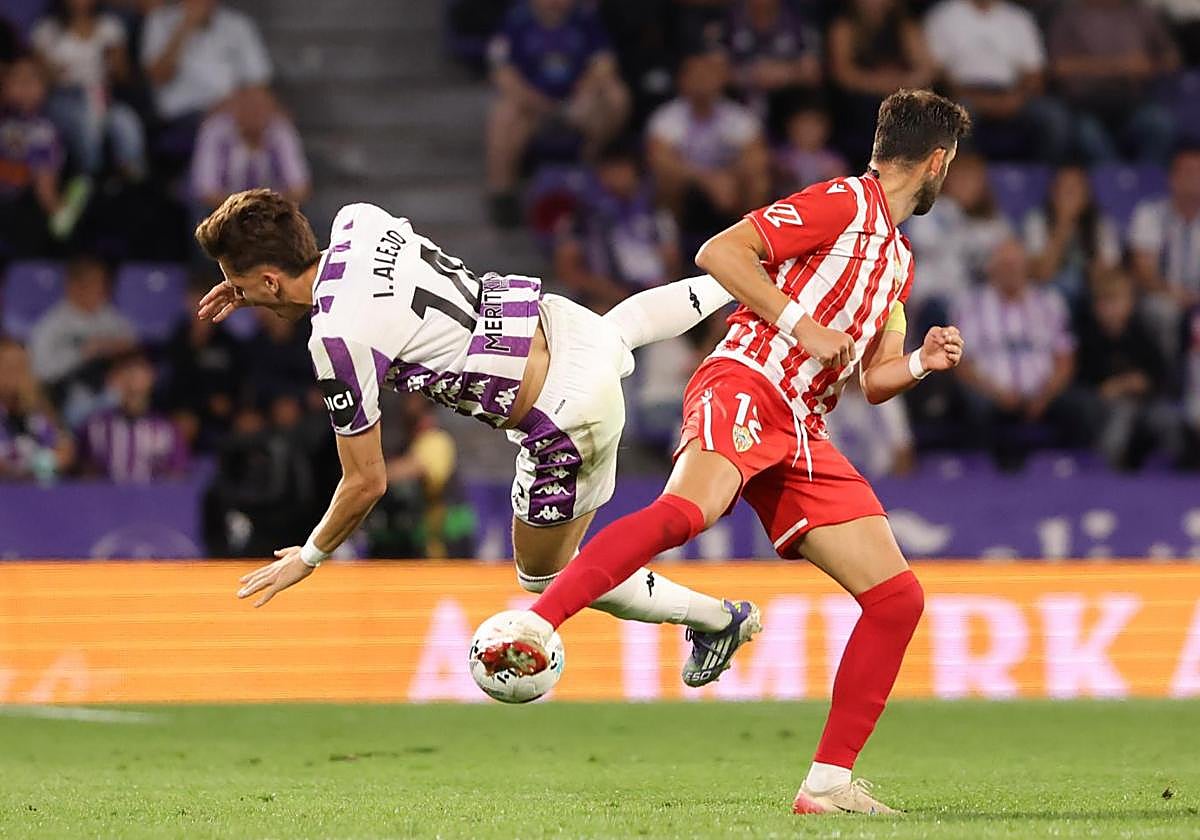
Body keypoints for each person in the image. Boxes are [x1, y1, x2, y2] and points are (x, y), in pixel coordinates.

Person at [481, 89, 970, 815]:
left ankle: (827, 786)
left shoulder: (897, 259)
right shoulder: (842, 201)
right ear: (936, 160)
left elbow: (875, 379)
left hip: (803, 426)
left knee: (896, 599)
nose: (947, 176)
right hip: (748, 377)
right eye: (949, 165)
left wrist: (924, 362)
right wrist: (799, 323)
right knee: (686, 513)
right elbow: (722, 251)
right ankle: (535, 622)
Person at [192, 188, 758, 681]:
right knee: (619, 331)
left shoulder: (337, 341)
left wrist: (311, 556)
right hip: (561, 323)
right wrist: (253, 289)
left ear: (269, 279)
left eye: (238, 283)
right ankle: (748, 275)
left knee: (547, 577)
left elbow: (366, 482)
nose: (235, 293)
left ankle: (718, 621)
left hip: (563, 414)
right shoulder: (359, 221)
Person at [485, 0, 629, 227]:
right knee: (505, 113)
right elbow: (501, 71)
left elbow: (605, 63)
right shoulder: (517, 19)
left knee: (615, 95)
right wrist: (537, 102)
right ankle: (502, 192)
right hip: (532, 106)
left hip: (577, 104)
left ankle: (593, 166)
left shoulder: (585, 18)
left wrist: (582, 92)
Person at [952, 239, 1088, 469]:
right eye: (1004, 265)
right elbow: (961, 363)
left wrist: (1044, 396)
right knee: (974, 407)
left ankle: (1077, 474)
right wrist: (997, 393)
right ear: (991, 269)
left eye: (1014, 265)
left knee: (1082, 407)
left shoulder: (1049, 303)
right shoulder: (970, 305)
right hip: (991, 394)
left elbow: (1065, 359)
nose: (1010, 272)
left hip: (1044, 395)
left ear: (1026, 267)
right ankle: (981, 477)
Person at [646, 48, 769, 252]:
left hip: (730, 189)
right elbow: (658, 159)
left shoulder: (739, 117)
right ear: (682, 80)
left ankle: (751, 247)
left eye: (708, 75)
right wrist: (707, 181)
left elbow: (756, 157)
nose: (702, 81)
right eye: (695, 75)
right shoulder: (666, 119)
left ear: (721, 79)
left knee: (758, 180)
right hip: (688, 189)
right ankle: (670, 246)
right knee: (665, 179)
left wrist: (729, 178)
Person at [924, 0, 1070, 162]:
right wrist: (977, 99)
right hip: (962, 94)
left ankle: (1040, 180)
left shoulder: (1018, 18)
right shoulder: (943, 16)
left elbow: (1035, 75)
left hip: (1012, 93)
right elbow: (937, 74)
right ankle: (962, 177)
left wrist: (1015, 99)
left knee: (1054, 116)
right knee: (957, 114)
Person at [553, 141, 682, 312]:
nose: (617, 176)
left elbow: (672, 262)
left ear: (635, 171)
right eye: (610, 170)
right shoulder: (582, 216)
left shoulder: (656, 213)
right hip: (604, 299)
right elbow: (567, 269)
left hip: (652, 299)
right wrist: (611, 292)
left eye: (622, 169)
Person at [1048, 0, 1179, 164]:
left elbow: (1171, 59)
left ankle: (1145, 184)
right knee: (1088, 136)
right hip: (1085, 105)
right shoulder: (1069, 15)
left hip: (1132, 103)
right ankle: (1114, 184)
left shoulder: (1141, 13)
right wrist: (1119, 67)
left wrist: (1149, 66)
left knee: (1161, 124)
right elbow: (1059, 67)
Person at [1074, 268, 1180, 470]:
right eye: (1105, 303)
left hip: (1145, 404)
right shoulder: (1089, 339)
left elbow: (1159, 375)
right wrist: (1112, 388)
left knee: (1168, 419)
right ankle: (1109, 472)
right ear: (1096, 307)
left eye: (1116, 302)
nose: (1111, 310)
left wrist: (1143, 383)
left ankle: (1176, 475)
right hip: (1106, 408)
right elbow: (1082, 382)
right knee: (1121, 417)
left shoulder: (1140, 334)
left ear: (1130, 304)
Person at [141, 0, 271, 159]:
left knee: (277, 129)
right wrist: (185, 27)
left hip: (231, 109)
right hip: (180, 116)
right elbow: (158, 77)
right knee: (218, 130)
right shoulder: (159, 21)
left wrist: (237, 106)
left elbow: (257, 84)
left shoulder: (238, 25)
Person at [32, 0, 147, 178]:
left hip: (101, 95)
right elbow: (40, 79)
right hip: (64, 98)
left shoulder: (109, 26)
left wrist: (114, 63)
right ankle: (90, 178)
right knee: (86, 123)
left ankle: (133, 181)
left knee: (126, 122)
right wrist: (55, 73)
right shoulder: (47, 29)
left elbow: (124, 76)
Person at [827, 0, 936, 166]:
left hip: (901, 97)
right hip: (859, 101)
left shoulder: (905, 26)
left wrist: (899, 85)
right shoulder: (844, 27)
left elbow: (926, 70)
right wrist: (882, 83)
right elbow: (843, 74)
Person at [28, 254, 136, 412]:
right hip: (67, 398)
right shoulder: (49, 326)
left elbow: (131, 345)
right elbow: (42, 372)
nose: (100, 291)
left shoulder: (112, 319)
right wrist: (83, 353)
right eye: (91, 284)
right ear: (73, 286)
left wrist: (108, 347)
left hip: (111, 397)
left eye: (102, 284)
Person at [190, 86, 310, 212]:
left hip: (269, 212)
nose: (254, 115)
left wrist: (261, 207)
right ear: (235, 110)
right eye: (248, 109)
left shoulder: (281, 131)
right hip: (223, 211)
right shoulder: (215, 131)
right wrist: (245, 208)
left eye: (260, 109)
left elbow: (300, 189)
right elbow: (206, 191)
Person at [1129, 146, 1200, 358]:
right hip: (1163, 294)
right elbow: (1144, 272)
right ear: (1172, 178)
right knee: (1164, 313)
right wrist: (1174, 292)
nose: (1194, 179)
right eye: (1188, 172)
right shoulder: (1150, 213)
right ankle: (1169, 382)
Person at [77, 350, 189, 482]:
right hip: (105, 500)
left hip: (153, 501)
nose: (132, 378)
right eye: (127, 371)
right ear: (115, 379)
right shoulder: (95, 427)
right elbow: (84, 472)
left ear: (151, 377)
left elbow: (177, 475)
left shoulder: (168, 430)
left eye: (139, 371)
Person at [0, 57, 69, 256]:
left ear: (43, 89)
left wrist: (64, 222)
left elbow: (45, 191)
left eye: (31, 80)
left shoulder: (43, 132)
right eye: (17, 80)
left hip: (18, 216)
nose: (23, 87)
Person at [1022, 165, 1121, 299]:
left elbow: (1108, 276)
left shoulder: (1101, 224)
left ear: (1086, 196)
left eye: (1075, 189)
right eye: (1064, 189)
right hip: (1048, 293)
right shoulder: (1036, 220)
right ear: (1053, 193)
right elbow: (1041, 274)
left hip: (1090, 295)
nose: (1070, 194)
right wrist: (1063, 225)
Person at [0, 338, 74, 481]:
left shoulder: (40, 409)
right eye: (7, 367)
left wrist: (41, 465)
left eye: (22, 367)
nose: (16, 375)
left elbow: (66, 450)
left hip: (36, 495)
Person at [773, 101, 848, 195]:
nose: (808, 131)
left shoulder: (833, 162)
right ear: (790, 126)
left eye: (814, 125)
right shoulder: (780, 158)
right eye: (803, 124)